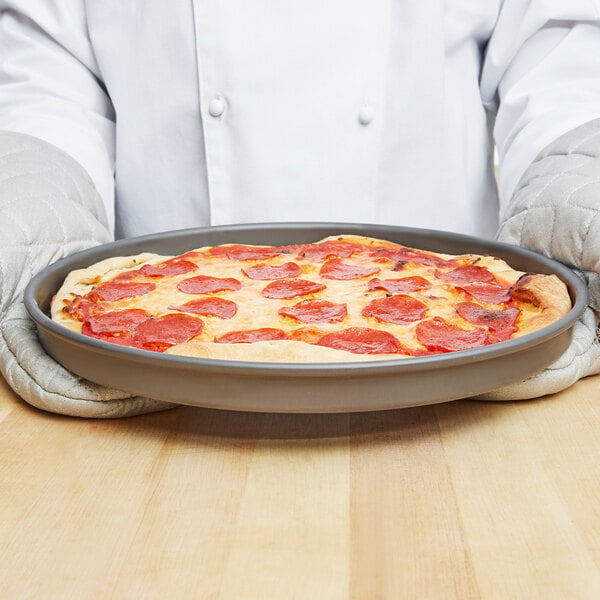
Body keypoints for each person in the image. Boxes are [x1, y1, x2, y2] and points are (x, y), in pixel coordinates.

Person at [0, 1, 599, 417]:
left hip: (464, 379)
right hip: (139, 375)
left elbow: (560, 51)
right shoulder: (103, 303)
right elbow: (45, 70)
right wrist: (33, 208)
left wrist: (576, 176)